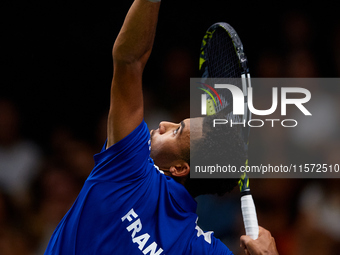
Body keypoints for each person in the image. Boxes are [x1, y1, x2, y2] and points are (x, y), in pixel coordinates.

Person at [44, 0, 279, 254]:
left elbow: (130, 59)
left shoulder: (132, 168)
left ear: (179, 168)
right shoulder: (128, 166)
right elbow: (128, 59)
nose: (164, 124)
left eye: (177, 130)